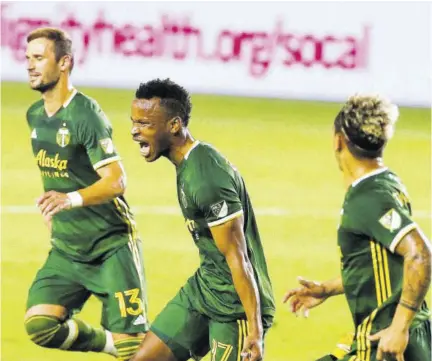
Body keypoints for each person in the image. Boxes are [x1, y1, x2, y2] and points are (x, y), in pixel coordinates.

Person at [128, 78, 275, 361]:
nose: (135, 131)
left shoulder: (205, 177)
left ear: (174, 125)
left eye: (145, 123)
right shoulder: (187, 165)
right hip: (205, 288)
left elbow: (238, 256)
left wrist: (254, 330)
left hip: (235, 306)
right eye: (134, 122)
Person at [24, 27, 148, 361]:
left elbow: (116, 181)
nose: (30, 66)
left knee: (135, 352)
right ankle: (110, 343)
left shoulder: (86, 114)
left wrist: (71, 199)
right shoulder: (35, 116)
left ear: (64, 63)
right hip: (67, 248)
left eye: (39, 58)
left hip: (112, 247)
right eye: (27, 58)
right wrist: (55, 209)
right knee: (40, 325)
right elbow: (59, 174)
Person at [283, 94, 431, 361]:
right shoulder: (387, 181)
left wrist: (398, 328)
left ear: (338, 140)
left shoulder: (368, 198)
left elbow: (420, 253)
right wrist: (328, 288)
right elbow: (382, 266)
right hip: (405, 335)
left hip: (384, 341)